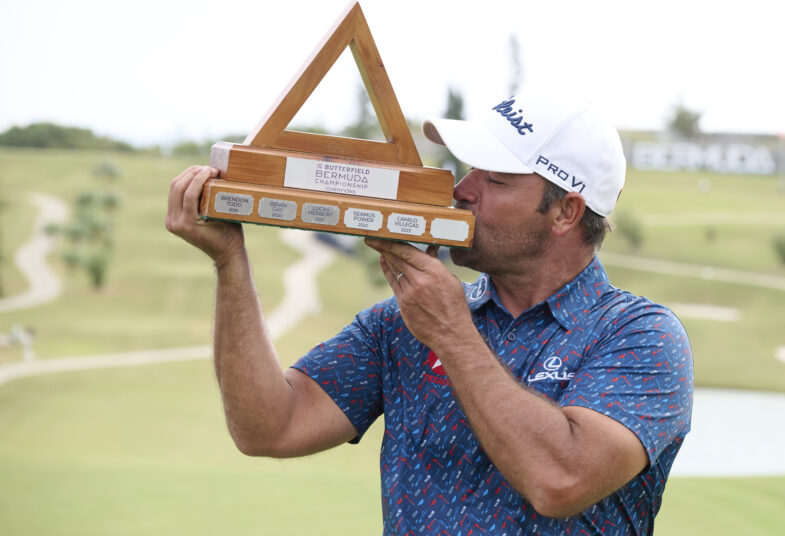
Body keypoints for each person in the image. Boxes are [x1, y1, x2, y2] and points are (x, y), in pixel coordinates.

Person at [166, 87, 693, 535]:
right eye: (469, 171)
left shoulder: (641, 336)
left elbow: (560, 480)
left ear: (564, 212)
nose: (462, 191)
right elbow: (268, 428)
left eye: (496, 180)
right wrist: (229, 262)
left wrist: (451, 333)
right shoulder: (403, 324)